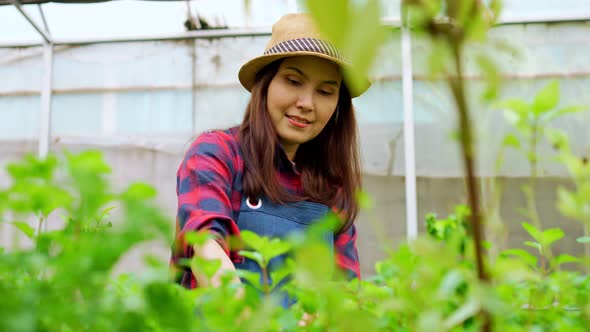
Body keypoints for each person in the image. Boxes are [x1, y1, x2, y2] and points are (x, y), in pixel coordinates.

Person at [171, 13, 371, 304]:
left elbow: (345, 291)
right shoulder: (219, 154)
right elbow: (206, 249)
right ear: (264, 84)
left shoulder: (332, 190)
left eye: (325, 91)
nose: (306, 104)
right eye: (293, 81)